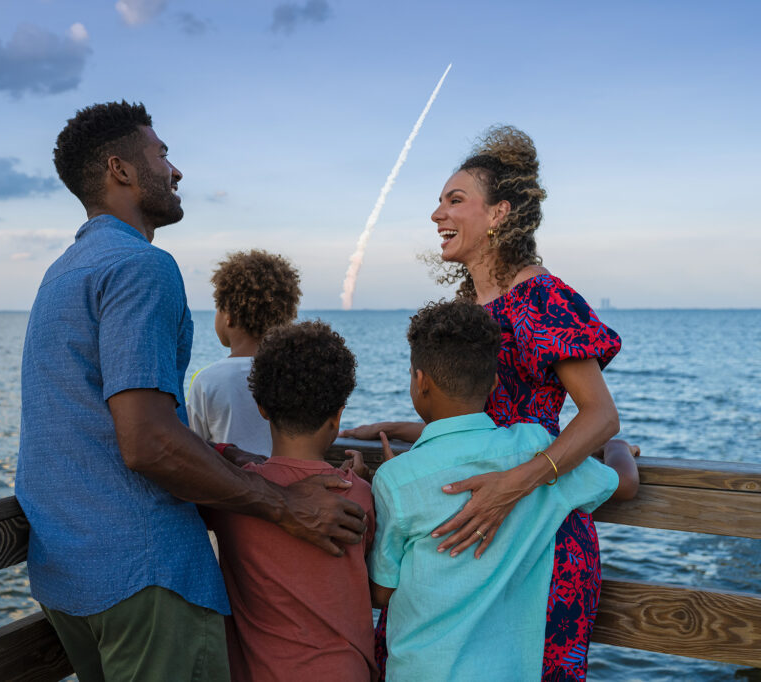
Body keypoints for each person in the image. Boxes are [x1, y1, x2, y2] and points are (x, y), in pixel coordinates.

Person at [15, 101, 366, 682]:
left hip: (69, 578)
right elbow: (146, 441)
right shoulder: (142, 267)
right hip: (145, 572)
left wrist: (242, 464)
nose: (176, 171)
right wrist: (282, 504)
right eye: (162, 153)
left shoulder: (63, 272)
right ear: (119, 170)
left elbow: (98, 426)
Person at [342, 126, 627, 680]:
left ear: (498, 214)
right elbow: (488, 415)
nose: (436, 215)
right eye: (439, 202)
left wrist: (511, 485)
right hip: (464, 537)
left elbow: (601, 415)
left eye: (454, 200)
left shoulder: (545, 299)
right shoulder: (466, 304)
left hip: (535, 536)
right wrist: (414, 429)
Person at [368, 300, 634, 681]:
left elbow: (382, 593)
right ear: (494, 383)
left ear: (420, 380)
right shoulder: (533, 449)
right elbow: (624, 484)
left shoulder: (396, 479)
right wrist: (617, 448)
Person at [204, 320, 378, 682]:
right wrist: (355, 480)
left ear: (262, 407)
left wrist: (227, 452)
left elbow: (192, 461)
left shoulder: (236, 495)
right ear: (338, 414)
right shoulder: (357, 494)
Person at [187, 249, 302, 456]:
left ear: (229, 315)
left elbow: (196, 449)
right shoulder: (295, 375)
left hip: (228, 486)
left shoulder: (207, 381)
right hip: (288, 484)